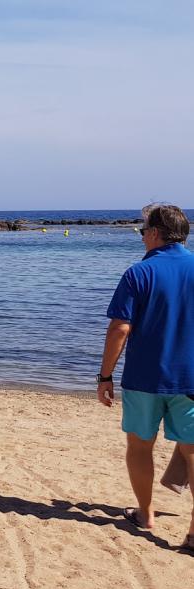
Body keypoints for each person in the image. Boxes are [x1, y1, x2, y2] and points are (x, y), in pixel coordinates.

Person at [98, 203, 194, 543]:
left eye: (143, 232)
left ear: (155, 234)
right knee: (192, 450)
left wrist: (104, 376)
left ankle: (146, 513)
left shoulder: (138, 274)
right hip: (191, 380)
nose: (142, 239)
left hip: (144, 379)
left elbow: (119, 330)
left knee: (140, 447)